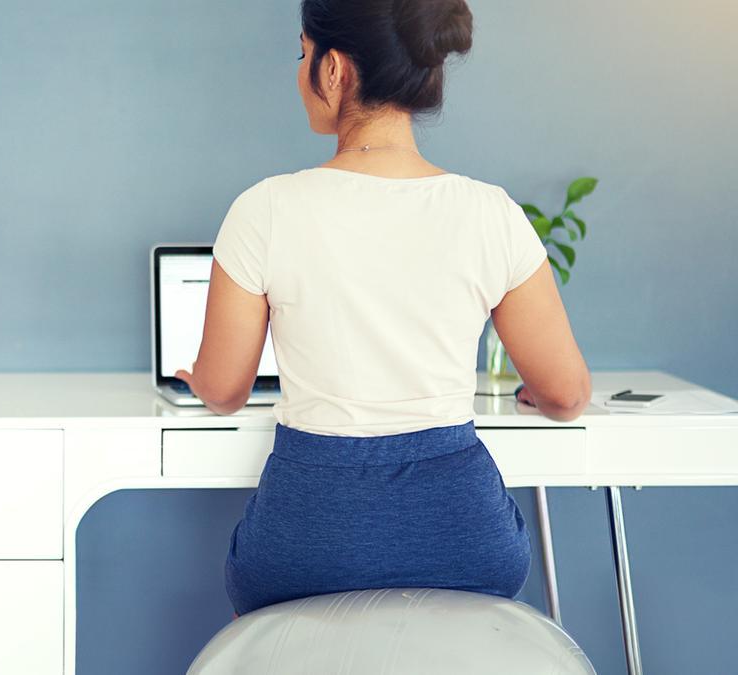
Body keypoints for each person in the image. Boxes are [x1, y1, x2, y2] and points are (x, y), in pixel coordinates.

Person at [173, 0, 591, 618]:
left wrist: (197, 379)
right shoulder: (490, 213)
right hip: (464, 538)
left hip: (306, 543)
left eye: (303, 54)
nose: (301, 71)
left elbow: (225, 390)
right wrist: (535, 393)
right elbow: (567, 394)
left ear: (335, 69)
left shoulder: (265, 209)